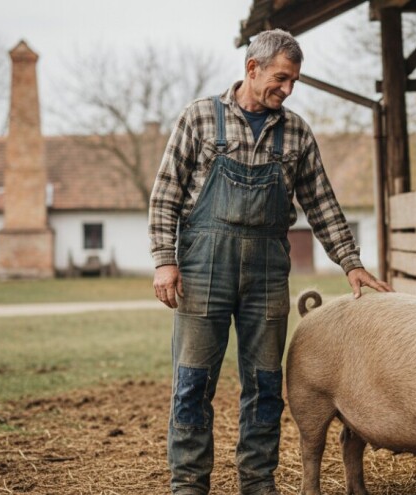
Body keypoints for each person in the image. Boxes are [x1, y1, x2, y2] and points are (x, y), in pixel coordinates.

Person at [148, 28, 392, 495]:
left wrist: (351, 262)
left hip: (266, 274)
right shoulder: (199, 119)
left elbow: (321, 203)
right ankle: (189, 484)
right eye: (280, 78)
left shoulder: (296, 131)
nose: (287, 89)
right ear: (252, 68)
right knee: (192, 383)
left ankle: (258, 482)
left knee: (264, 384)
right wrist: (164, 260)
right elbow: (164, 197)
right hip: (202, 271)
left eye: (294, 81)